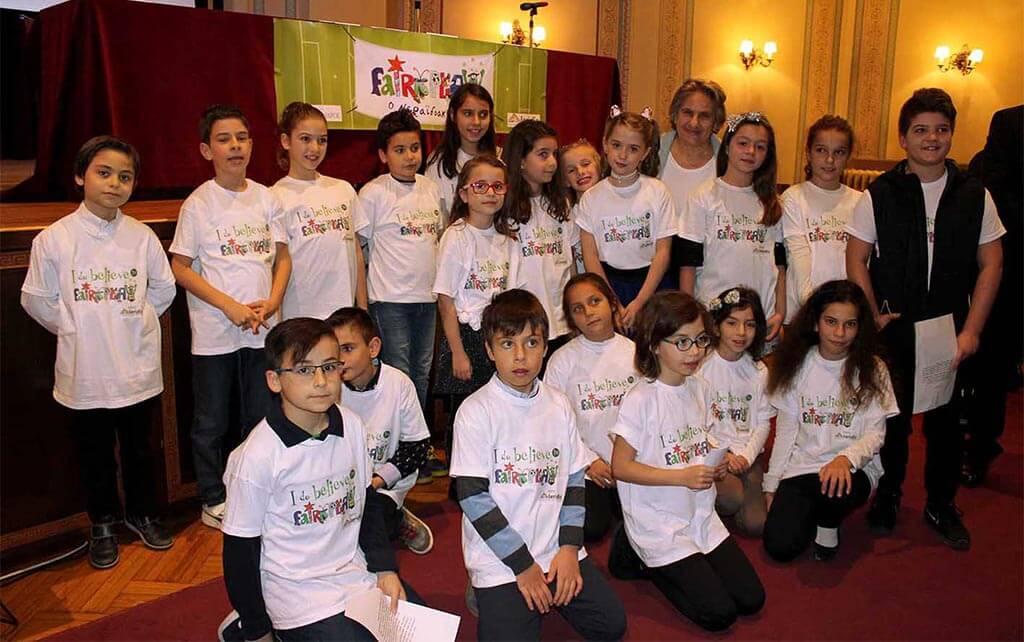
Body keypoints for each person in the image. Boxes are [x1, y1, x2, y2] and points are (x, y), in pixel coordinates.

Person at [845, 88, 1005, 550]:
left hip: (948, 329)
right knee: (892, 421)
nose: (931, 138)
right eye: (920, 130)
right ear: (903, 137)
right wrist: (872, 315)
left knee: (946, 424)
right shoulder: (879, 194)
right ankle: (888, 495)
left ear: (951, 134)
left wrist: (972, 330)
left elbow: (992, 263)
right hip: (896, 327)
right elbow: (856, 257)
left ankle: (941, 502)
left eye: (941, 129)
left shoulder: (974, 194)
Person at [21, 136, 177, 569]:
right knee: (95, 455)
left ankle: (142, 514)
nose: (114, 184)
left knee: (141, 449)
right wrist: (74, 327)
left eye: (125, 177)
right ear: (80, 176)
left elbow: (164, 288)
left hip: (136, 366)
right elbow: (36, 299)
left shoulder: (142, 237)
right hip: (85, 369)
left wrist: (135, 319)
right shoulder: (54, 239)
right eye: (104, 173)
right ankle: (103, 522)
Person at [216, 318, 419, 642]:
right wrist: (258, 630)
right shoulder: (256, 456)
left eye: (329, 367)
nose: (321, 381)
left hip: (353, 575)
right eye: (304, 370)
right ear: (274, 380)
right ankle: (244, 625)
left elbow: (366, 504)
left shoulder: (352, 426)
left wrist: (385, 568)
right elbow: (240, 550)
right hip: (295, 594)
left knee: (419, 633)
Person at [451, 289, 627, 642]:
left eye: (531, 343)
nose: (521, 356)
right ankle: (485, 589)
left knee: (610, 625)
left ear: (545, 347)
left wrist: (568, 549)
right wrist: (523, 566)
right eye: (507, 344)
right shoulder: (475, 412)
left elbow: (574, 479)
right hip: (502, 559)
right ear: (489, 350)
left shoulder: (558, 404)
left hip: (554, 548)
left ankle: (545, 588)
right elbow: (472, 497)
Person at [608, 291, 765, 632]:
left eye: (701, 340)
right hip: (658, 522)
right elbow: (621, 467)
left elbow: (698, 439)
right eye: (681, 342)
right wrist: (681, 477)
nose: (694, 351)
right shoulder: (641, 399)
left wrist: (716, 463)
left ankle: (653, 556)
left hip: (698, 514)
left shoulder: (699, 387)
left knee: (752, 599)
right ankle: (640, 555)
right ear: (654, 344)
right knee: (719, 615)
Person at [169, 104, 291, 530]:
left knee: (259, 415)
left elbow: (282, 258)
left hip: (262, 330)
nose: (235, 146)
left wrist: (272, 301)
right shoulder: (198, 204)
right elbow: (180, 267)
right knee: (212, 421)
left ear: (252, 145)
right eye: (224, 139)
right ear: (207, 150)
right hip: (215, 334)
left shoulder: (267, 197)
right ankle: (212, 496)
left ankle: (253, 490)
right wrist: (228, 306)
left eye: (241, 137)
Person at [762, 280, 898, 562]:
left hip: (853, 468)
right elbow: (786, 432)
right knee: (780, 547)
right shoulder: (796, 364)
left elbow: (875, 435)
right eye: (831, 322)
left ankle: (828, 522)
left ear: (860, 327)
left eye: (850, 324)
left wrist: (845, 459)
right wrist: (771, 484)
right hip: (803, 467)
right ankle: (813, 509)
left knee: (833, 492)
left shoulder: (874, 368)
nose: (839, 333)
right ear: (816, 322)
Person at [432, 155, 524, 474]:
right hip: (465, 336)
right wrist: (458, 353)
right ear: (464, 193)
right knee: (466, 413)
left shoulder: (508, 240)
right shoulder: (456, 236)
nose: (490, 193)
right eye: (480, 186)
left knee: (499, 409)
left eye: (497, 186)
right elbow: (446, 301)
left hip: (497, 336)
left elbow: (511, 297)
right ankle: (463, 479)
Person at [325, 307, 433, 555]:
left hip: (384, 485)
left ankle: (397, 518)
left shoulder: (399, 384)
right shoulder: (327, 387)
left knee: (371, 526)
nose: (340, 360)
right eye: (334, 352)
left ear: (373, 348)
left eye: (348, 349)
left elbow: (417, 448)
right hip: (342, 484)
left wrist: (375, 481)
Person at [359, 108, 442, 417]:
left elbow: (437, 239)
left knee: (422, 372)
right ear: (384, 155)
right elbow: (359, 249)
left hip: (428, 299)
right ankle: (396, 436)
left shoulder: (430, 188)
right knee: (398, 373)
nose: (410, 156)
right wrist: (362, 303)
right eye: (400, 150)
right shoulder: (373, 194)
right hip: (390, 301)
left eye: (415, 148)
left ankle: (415, 437)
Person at [678, 111, 786, 346]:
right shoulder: (703, 197)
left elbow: (779, 264)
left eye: (760, 147)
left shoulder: (772, 203)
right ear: (727, 146)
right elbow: (688, 263)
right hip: (714, 317)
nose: (751, 151)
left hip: (760, 318)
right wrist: (689, 316)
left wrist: (780, 311)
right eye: (743, 143)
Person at [544, 273, 639, 541]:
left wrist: (628, 463)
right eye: (578, 309)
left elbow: (650, 417)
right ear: (571, 319)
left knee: (645, 517)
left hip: (632, 463)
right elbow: (554, 424)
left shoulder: (635, 353)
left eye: (594, 301)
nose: (588, 312)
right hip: (588, 465)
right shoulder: (562, 361)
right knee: (592, 527)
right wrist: (589, 461)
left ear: (611, 303)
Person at [960, 104, 1023, 486]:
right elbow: (996, 196)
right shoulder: (1010, 121)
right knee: (992, 364)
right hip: (1009, 270)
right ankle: (980, 446)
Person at [576, 109, 676, 329]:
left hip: (652, 285)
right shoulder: (591, 198)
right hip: (609, 287)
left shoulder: (658, 191)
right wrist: (613, 303)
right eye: (616, 145)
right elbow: (590, 256)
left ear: (645, 153)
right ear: (605, 144)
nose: (623, 155)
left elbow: (663, 252)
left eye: (633, 149)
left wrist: (640, 301)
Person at [271, 101, 368, 319]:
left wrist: (362, 309)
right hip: (300, 317)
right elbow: (276, 265)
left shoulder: (343, 189)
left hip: (343, 315)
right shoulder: (275, 196)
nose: (315, 148)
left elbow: (356, 252)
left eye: (322, 140)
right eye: (305, 139)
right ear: (286, 141)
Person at [699, 287, 774, 537]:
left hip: (745, 455)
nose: (741, 332)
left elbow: (763, 422)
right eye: (732, 323)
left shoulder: (759, 371)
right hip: (713, 454)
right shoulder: (700, 367)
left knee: (756, 525)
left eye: (749, 324)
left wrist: (747, 456)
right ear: (717, 326)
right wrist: (722, 454)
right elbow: (694, 420)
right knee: (731, 499)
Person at [502, 119, 576, 344]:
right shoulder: (504, 208)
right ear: (521, 160)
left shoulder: (561, 204)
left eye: (554, 154)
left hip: (560, 317)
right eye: (543, 154)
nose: (552, 162)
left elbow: (570, 261)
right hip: (523, 318)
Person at [781, 115, 859, 323]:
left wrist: (846, 311)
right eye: (821, 150)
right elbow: (798, 257)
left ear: (848, 156)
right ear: (808, 153)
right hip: (804, 313)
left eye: (838, 152)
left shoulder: (860, 201)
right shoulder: (794, 197)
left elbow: (861, 264)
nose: (830, 160)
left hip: (845, 315)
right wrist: (817, 310)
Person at [425, 83, 500, 223]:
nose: (476, 122)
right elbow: (437, 217)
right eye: (468, 113)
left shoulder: (500, 159)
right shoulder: (438, 163)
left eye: (483, 114)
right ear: (453, 115)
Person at [658, 79, 727, 216]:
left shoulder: (729, 161)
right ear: (675, 115)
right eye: (688, 113)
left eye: (704, 116)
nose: (694, 123)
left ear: (716, 122)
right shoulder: (651, 152)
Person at [558, 139, 603, 207]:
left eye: (585, 164)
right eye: (571, 170)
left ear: (598, 165)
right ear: (565, 180)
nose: (580, 172)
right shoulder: (568, 212)